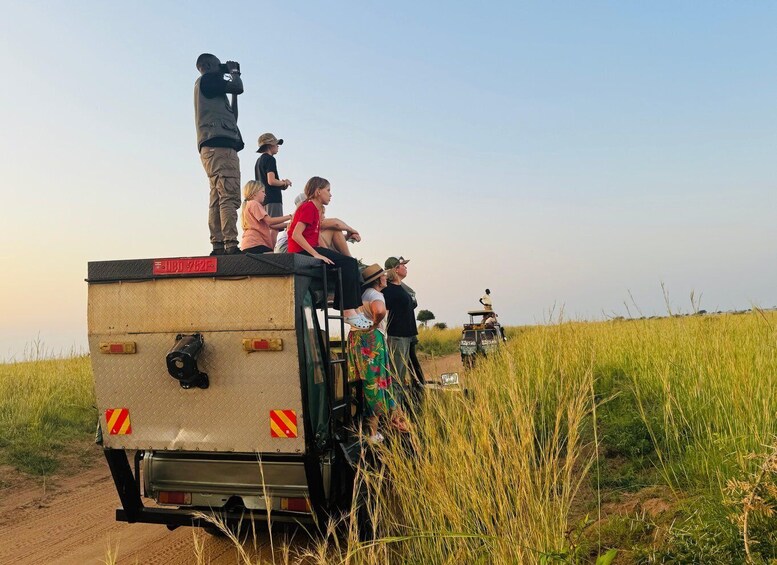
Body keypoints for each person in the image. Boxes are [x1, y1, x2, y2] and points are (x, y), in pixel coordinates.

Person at [287, 177, 371, 330]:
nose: (330, 194)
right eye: (328, 190)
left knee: (349, 263)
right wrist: (316, 254)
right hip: (301, 251)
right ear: (318, 191)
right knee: (348, 263)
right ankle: (348, 311)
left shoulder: (315, 209)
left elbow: (317, 239)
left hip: (309, 249)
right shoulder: (308, 207)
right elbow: (296, 235)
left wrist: (334, 249)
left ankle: (353, 310)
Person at [347, 264, 409, 443]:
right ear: (377, 280)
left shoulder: (361, 295)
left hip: (356, 338)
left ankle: (382, 423)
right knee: (376, 383)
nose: (385, 277)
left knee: (362, 381)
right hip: (372, 340)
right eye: (383, 275)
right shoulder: (375, 295)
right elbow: (380, 311)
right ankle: (372, 433)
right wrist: (374, 323)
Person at [194, 53, 245, 255]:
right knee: (229, 195)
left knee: (217, 196)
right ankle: (231, 244)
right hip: (221, 150)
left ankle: (218, 244)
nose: (221, 68)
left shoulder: (210, 89)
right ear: (208, 66)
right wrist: (234, 71)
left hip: (212, 149)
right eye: (218, 65)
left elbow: (233, 118)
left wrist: (232, 93)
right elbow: (238, 86)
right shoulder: (208, 79)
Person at [382, 256, 421, 410]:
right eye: (402, 265)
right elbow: (383, 312)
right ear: (395, 269)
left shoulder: (403, 288)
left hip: (408, 336)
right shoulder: (388, 290)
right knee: (397, 376)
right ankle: (395, 412)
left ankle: (404, 406)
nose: (406, 267)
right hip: (397, 336)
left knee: (406, 374)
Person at [275, 193, 362, 255]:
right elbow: (336, 223)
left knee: (329, 234)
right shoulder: (308, 214)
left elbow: (332, 239)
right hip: (286, 250)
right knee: (334, 230)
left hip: (286, 249)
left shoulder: (301, 217)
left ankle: (348, 262)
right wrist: (352, 230)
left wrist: (347, 236)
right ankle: (351, 262)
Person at [255, 133, 292, 246]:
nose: (278, 146)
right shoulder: (270, 159)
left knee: (267, 227)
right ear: (270, 145)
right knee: (274, 227)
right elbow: (271, 181)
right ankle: (271, 251)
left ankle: (267, 249)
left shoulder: (258, 161)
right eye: (276, 144)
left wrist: (281, 184)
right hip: (273, 198)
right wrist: (284, 182)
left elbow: (266, 181)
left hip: (263, 199)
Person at [239, 180, 291, 254]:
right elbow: (270, 221)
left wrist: (290, 224)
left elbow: (272, 225)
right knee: (279, 257)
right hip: (256, 245)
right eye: (263, 192)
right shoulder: (254, 204)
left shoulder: (249, 205)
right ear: (254, 193)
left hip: (250, 245)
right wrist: (290, 216)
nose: (265, 194)